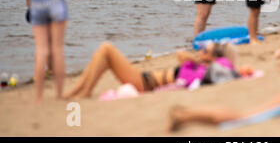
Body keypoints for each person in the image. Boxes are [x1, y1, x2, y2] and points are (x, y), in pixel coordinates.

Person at [65, 42, 238, 98]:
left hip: (144, 83)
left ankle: (83, 91)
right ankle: (81, 90)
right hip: (144, 79)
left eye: (205, 50)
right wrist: (201, 58)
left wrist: (208, 59)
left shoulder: (207, 70)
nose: (200, 51)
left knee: (106, 49)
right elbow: (180, 54)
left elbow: (228, 64)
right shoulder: (197, 66)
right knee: (104, 54)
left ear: (214, 58)